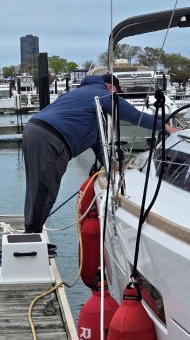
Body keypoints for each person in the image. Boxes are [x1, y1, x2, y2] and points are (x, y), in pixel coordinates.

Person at [22, 70, 178, 233]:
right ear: (110, 87)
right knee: (46, 188)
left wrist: (114, 166)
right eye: (117, 93)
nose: (117, 98)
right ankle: (32, 234)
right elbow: (134, 115)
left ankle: (32, 229)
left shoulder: (79, 94)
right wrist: (167, 127)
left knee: (36, 186)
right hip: (51, 138)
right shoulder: (102, 95)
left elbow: (98, 144)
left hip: (33, 129)